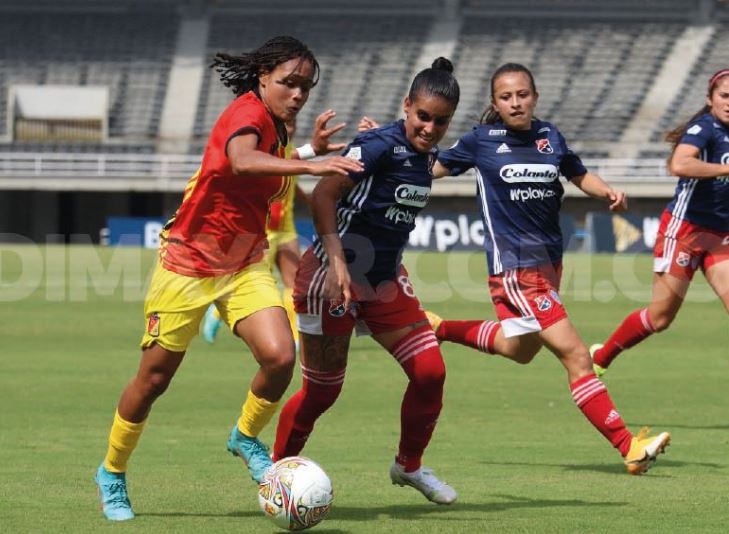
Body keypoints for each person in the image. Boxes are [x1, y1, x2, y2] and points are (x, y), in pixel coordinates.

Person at [93, 35, 363, 521]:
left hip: (242, 263)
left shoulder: (275, 123)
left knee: (281, 356)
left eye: (306, 86)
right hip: (187, 265)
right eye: (289, 83)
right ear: (263, 77)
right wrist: (311, 162)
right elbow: (241, 159)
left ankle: (244, 436)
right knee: (154, 380)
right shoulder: (247, 112)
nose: (298, 94)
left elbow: (257, 163)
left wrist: (305, 146)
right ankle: (112, 472)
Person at [424, 62, 670, 475]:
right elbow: (431, 168)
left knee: (518, 349)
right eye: (506, 97)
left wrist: (606, 191)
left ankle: (439, 329)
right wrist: (392, 148)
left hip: (549, 265)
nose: (515, 102)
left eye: (522, 94)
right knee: (577, 355)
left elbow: (578, 174)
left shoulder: (549, 136)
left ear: (534, 96)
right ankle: (628, 446)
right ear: (495, 103)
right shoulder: (480, 141)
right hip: (517, 269)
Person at [272, 58, 460, 505]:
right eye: (423, 116)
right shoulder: (379, 145)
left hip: (384, 281)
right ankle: (277, 476)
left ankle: (408, 466)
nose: (430, 127)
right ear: (407, 106)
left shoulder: (424, 154)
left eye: (441, 121)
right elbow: (323, 194)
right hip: (329, 277)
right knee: (322, 392)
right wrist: (336, 259)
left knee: (430, 371)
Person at [590, 69, 729, 375]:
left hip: (721, 236)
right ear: (710, 99)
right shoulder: (705, 128)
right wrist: (724, 169)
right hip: (685, 231)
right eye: (724, 96)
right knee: (660, 318)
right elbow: (679, 164)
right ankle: (601, 358)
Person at [201, 114, 343, 347]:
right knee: (247, 283)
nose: (290, 128)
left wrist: (308, 200)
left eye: (293, 124)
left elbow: (291, 182)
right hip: (262, 229)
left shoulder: (287, 153)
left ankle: (296, 335)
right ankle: (216, 311)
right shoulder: (263, 155)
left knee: (295, 283)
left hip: (285, 227)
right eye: (285, 125)